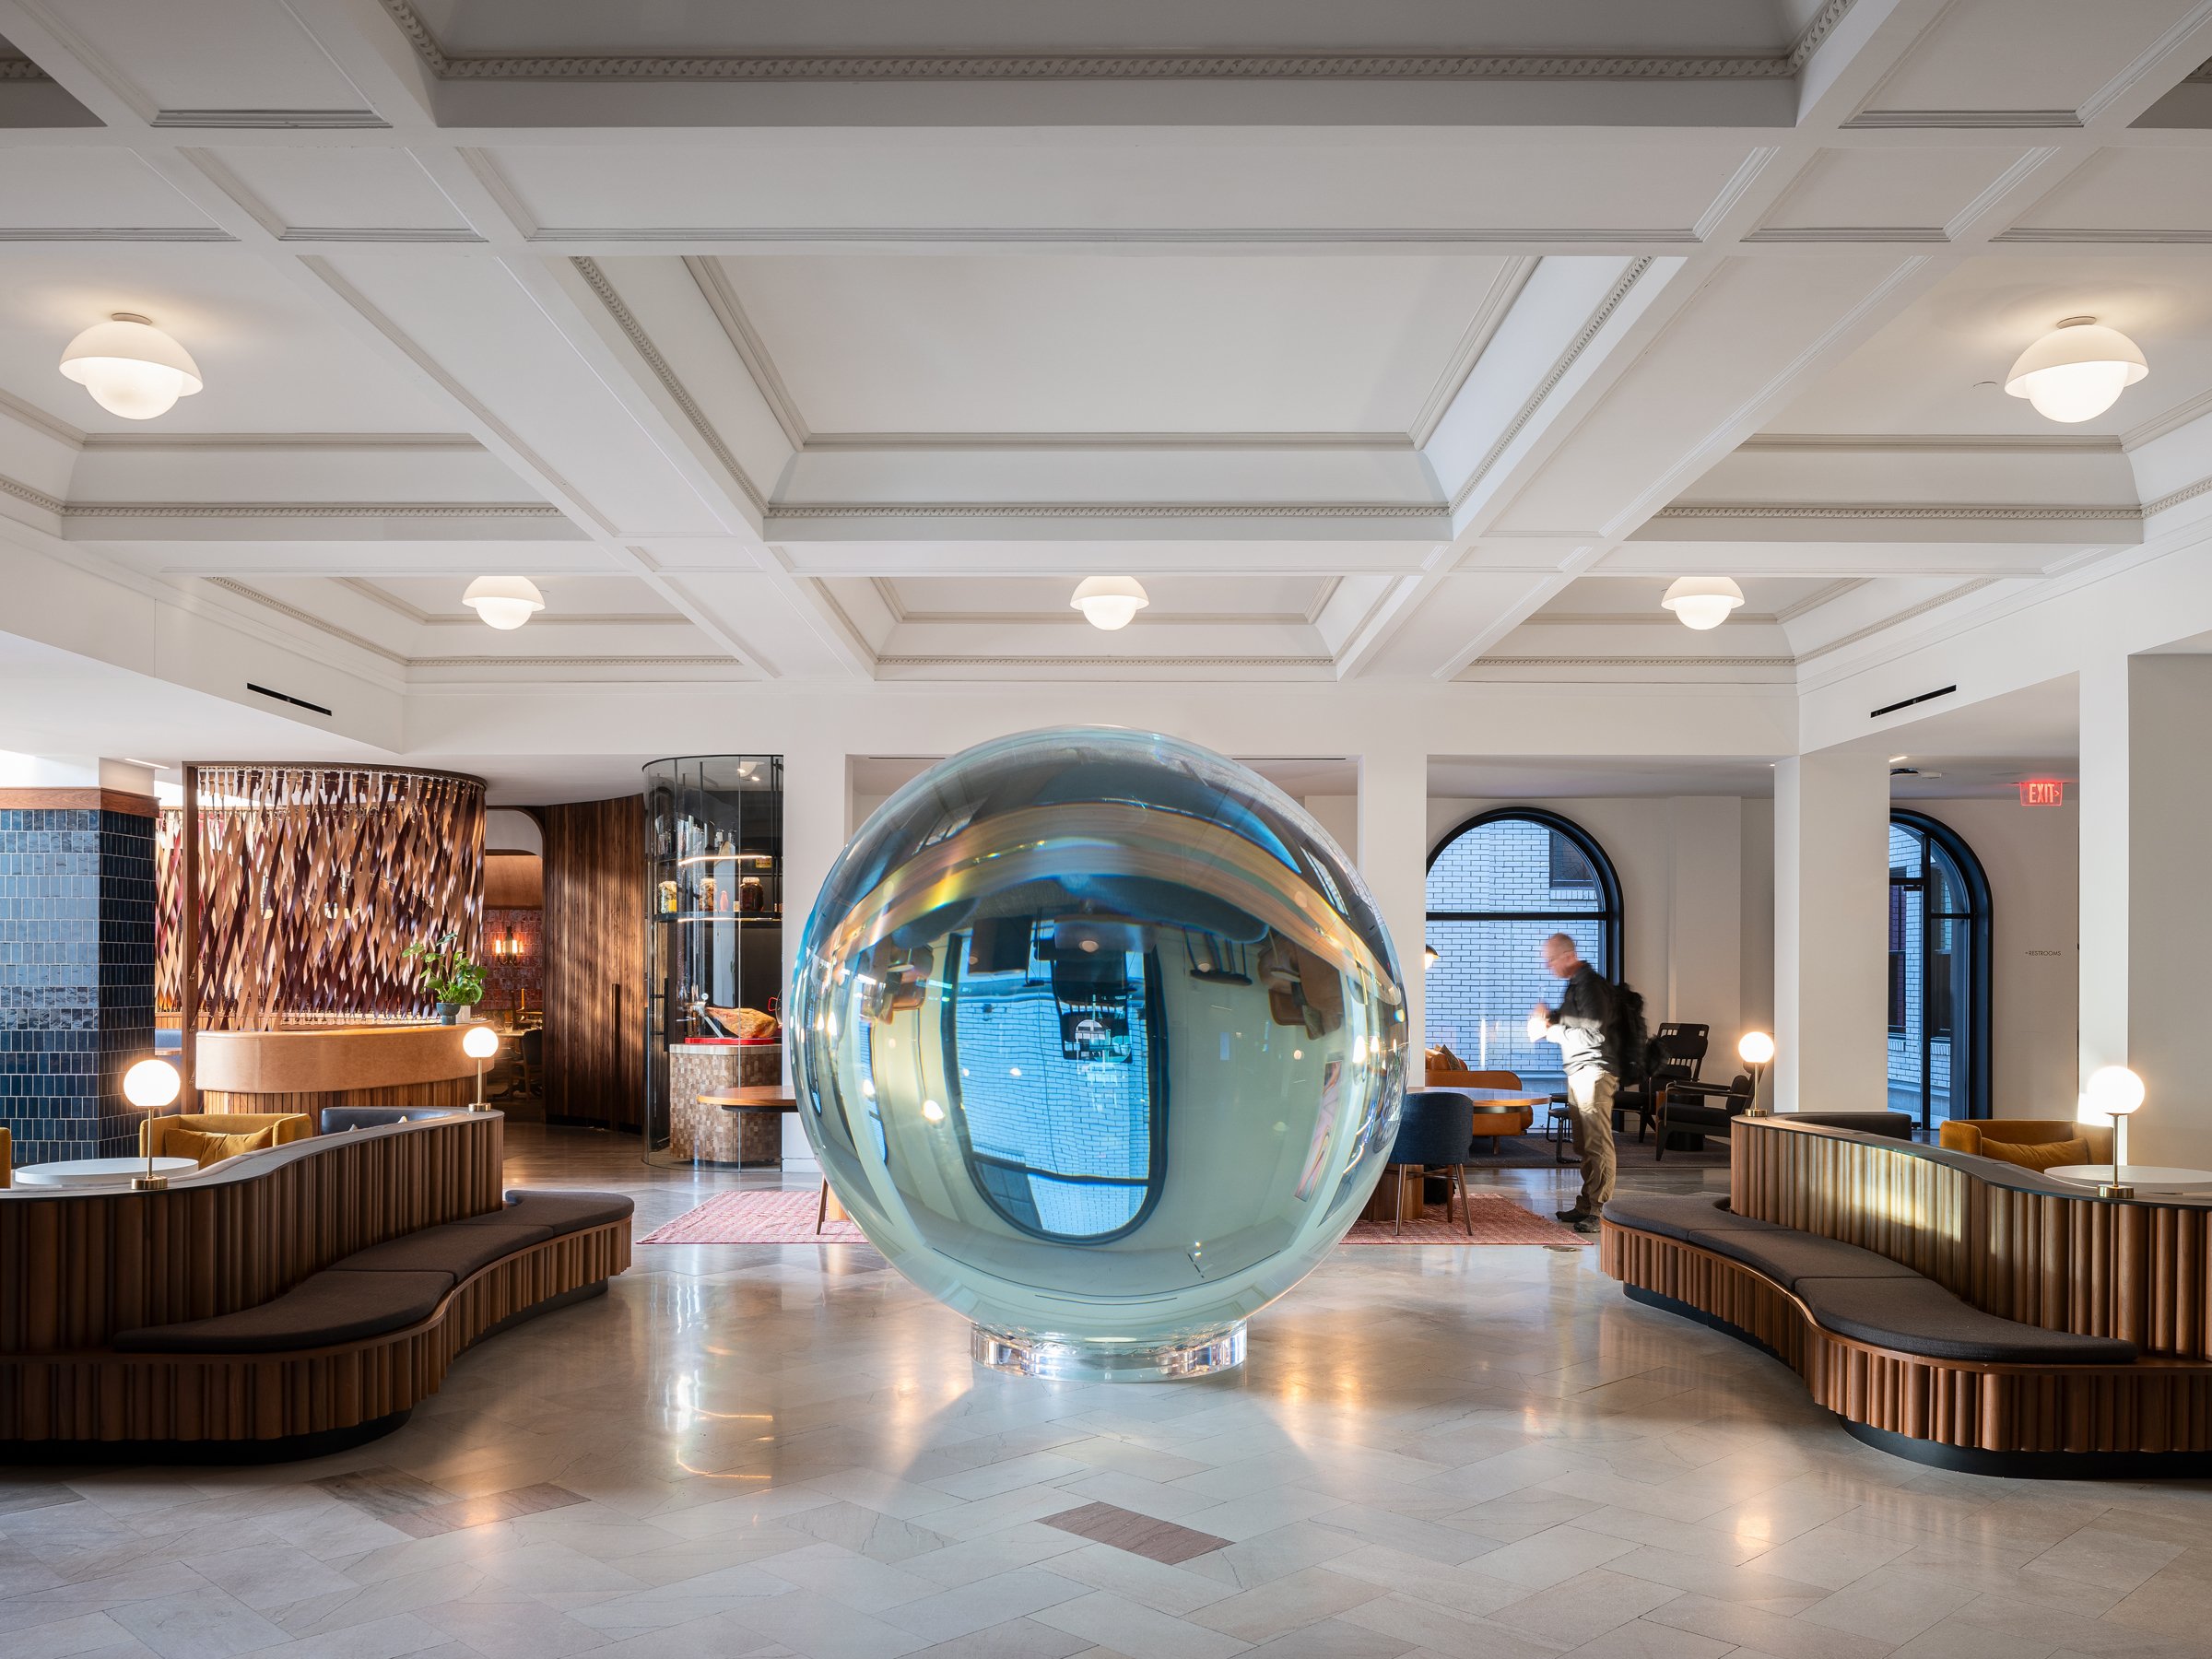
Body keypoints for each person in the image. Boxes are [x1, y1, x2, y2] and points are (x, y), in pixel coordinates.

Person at [1530, 933, 1616, 1233]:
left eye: (1551, 960)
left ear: (1568, 956)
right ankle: (1585, 1204)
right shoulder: (1577, 985)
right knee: (1584, 1143)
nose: (1548, 966)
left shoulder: (1590, 985)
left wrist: (1549, 1032)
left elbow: (1594, 1033)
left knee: (1597, 1143)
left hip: (1595, 1071)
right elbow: (1576, 1021)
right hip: (1580, 1070)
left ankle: (1599, 1209)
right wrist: (1550, 1017)